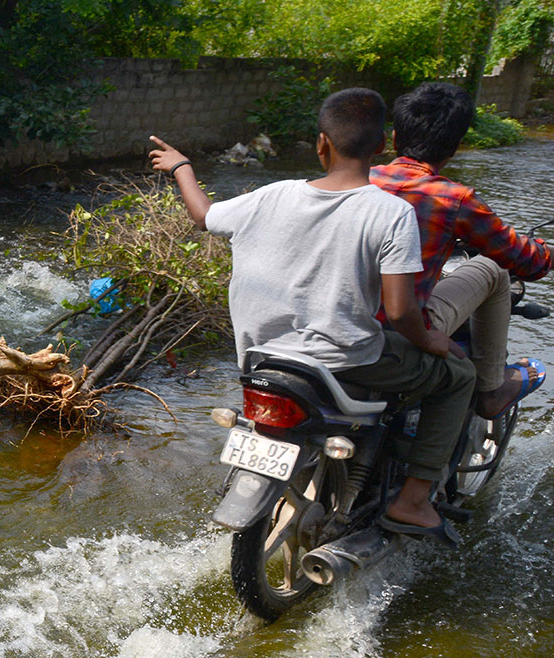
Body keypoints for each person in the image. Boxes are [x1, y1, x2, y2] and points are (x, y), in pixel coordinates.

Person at [149, 87, 475, 543]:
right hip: (345, 360)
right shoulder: (391, 214)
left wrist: (182, 166)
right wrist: (433, 342)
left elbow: (204, 216)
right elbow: (401, 313)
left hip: (260, 359)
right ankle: (414, 500)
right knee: (458, 375)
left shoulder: (271, 195)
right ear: (383, 144)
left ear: (321, 143)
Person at [372, 82, 551, 418]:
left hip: (339, 318)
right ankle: (492, 388)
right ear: (454, 147)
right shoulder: (452, 199)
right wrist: (545, 252)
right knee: (495, 269)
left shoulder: (356, 180)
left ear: (394, 138)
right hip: (402, 326)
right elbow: (527, 261)